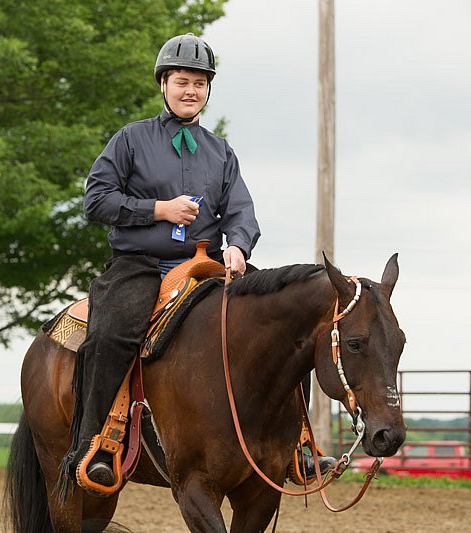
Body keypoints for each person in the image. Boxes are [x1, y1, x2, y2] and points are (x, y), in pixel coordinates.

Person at [66, 33, 332, 490]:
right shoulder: (130, 140)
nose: (191, 91)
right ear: (163, 85)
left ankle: (297, 446)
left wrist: (239, 245)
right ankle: (95, 444)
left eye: (200, 83)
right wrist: (157, 210)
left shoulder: (221, 151)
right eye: (181, 81)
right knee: (112, 332)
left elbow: (241, 210)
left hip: (208, 265)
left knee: (283, 327)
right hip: (140, 264)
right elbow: (96, 201)